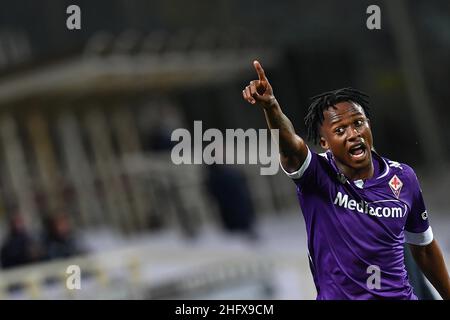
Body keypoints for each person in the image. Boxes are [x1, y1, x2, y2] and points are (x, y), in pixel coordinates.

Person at [242, 60, 450, 300]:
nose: (353, 134)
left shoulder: (403, 177)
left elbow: (424, 249)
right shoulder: (316, 175)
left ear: (369, 126)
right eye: (340, 130)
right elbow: (292, 148)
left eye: (358, 123)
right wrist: (271, 107)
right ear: (324, 143)